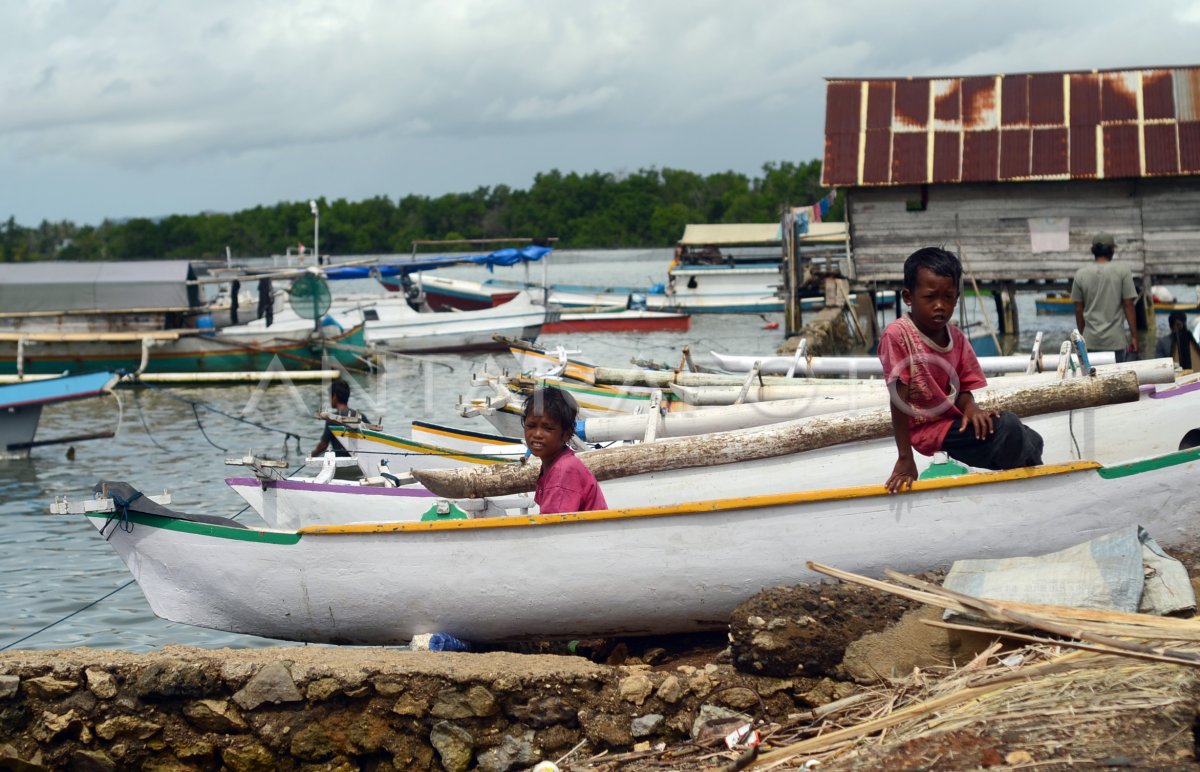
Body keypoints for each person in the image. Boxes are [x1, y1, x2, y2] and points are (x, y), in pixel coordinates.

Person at [879, 247, 1044, 494]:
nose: (940, 306)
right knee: (1010, 428)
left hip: (954, 422)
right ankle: (1032, 485)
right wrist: (905, 457)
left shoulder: (955, 336)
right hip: (927, 431)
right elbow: (898, 399)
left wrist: (972, 410)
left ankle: (1020, 475)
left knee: (1032, 438)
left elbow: (963, 389)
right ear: (908, 297)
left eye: (948, 298)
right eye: (930, 297)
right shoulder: (898, 335)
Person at [523, 387, 607, 514]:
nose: (537, 434)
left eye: (548, 428)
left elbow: (555, 527)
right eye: (531, 426)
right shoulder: (556, 463)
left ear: (566, 434)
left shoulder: (562, 471)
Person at [1071, 233, 1138, 362]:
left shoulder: (1080, 274)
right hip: (1116, 341)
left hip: (1090, 341)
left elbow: (1079, 309)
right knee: (1117, 380)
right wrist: (1134, 336)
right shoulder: (1123, 271)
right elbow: (1128, 305)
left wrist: (1082, 337)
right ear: (1112, 251)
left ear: (1093, 251)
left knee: (1093, 379)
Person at [310, 380, 365, 458]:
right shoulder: (360, 416)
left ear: (334, 396)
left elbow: (323, 445)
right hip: (359, 460)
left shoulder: (332, 419)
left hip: (341, 462)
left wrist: (311, 455)